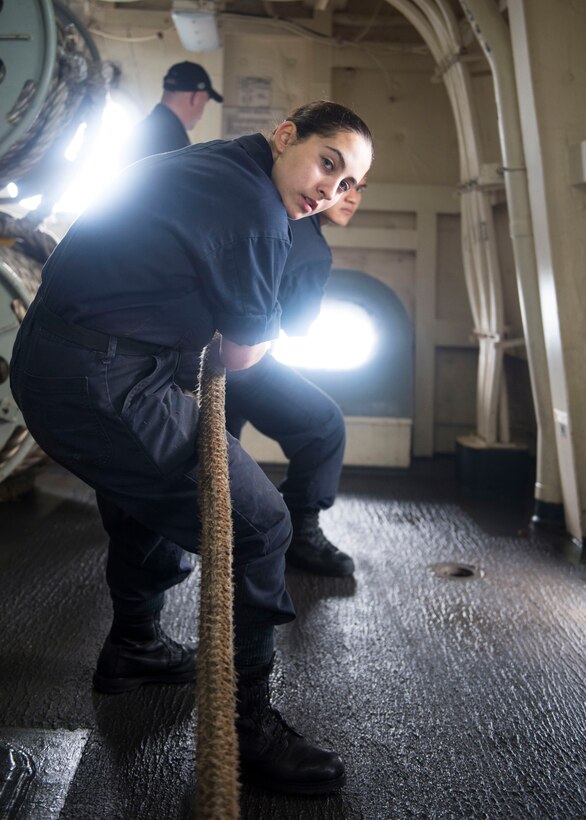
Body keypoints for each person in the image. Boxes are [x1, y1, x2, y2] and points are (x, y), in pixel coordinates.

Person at [10, 101, 373, 795]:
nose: (330, 192)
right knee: (262, 525)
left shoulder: (221, 162)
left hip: (75, 356)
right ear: (287, 133)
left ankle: (138, 646)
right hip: (99, 377)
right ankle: (248, 726)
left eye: (346, 184)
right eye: (328, 164)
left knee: (149, 491)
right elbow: (242, 354)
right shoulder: (254, 210)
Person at [225, 179, 368, 577]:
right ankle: (301, 534)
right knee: (325, 427)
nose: (352, 197)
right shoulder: (312, 249)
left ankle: (212, 526)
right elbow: (299, 324)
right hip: (242, 358)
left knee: (220, 443)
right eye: (344, 186)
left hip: (206, 352)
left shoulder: (270, 212)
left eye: (360, 188)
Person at [121, 61, 223, 167]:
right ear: (196, 98)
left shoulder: (145, 130)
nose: (200, 116)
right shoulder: (172, 142)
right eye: (204, 103)